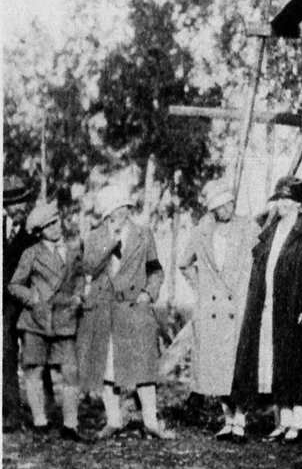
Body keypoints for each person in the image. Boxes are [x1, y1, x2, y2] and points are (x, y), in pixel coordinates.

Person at [76, 184, 174, 440]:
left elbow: (155, 270)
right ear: (107, 214)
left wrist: (148, 293)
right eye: (115, 210)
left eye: (123, 208)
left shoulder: (143, 233)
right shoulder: (95, 236)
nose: (120, 213)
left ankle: (151, 422)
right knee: (108, 367)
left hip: (135, 308)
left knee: (143, 366)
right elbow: (89, 267)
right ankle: (113, 420)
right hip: (105, 308)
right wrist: (111, 240)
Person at [232, 176, 302, 443]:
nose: (282, 204)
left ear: (299, 203)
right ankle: (283, 421)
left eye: (288, 199)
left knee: (298, 362)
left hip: (296, 306)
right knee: (278, 361)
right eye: (279, 199)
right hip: (270, 306)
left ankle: (298, 422)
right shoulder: (271, 231)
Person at [179, 180, 258, 442]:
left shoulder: (248, 228)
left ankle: (241, 419)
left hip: (239, 305)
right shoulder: (202, 231)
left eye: (227, 204)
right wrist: (201, 287)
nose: (224, 210)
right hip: (212, 308)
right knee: (217, 367)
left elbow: (261, 259)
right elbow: (184, 263)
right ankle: (228, 419)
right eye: (218, 207)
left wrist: (250, 288)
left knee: (239, 366)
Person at [8, 201, 85, 440]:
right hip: (36, 320)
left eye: (56, 222)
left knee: (70, 371)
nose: (55, 227)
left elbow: (79, 278)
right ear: (39, 231)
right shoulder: (31, 253)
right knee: (34, 370)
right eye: (48, 225)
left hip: (64, 319)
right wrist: (33, 298)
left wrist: (78, 296)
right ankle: (40, 422)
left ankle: (70, 425)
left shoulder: (73, 250)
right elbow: (14, 285)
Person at [3, 176, 35, 431]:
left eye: (23, 201)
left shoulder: (35, 231)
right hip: (5, 306)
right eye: (14, 203)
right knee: (7, 355)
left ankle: (43, 412)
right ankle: (12, 413)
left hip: (29, 302)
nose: (20, 207)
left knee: (36, 357)